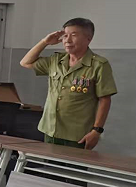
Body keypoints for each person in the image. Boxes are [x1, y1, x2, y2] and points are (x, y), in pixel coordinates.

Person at [20, 18, 117, 149]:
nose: (67, 40)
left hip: (77, 134)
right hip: (50, 130)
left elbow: (105, 100)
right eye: (65, 35)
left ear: (88, 39)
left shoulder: (99, 65)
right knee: (47, 163)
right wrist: (45, 42)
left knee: (72, 163)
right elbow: (25, 62)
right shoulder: (56, 60)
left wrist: (96, 130)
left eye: (74, 35)